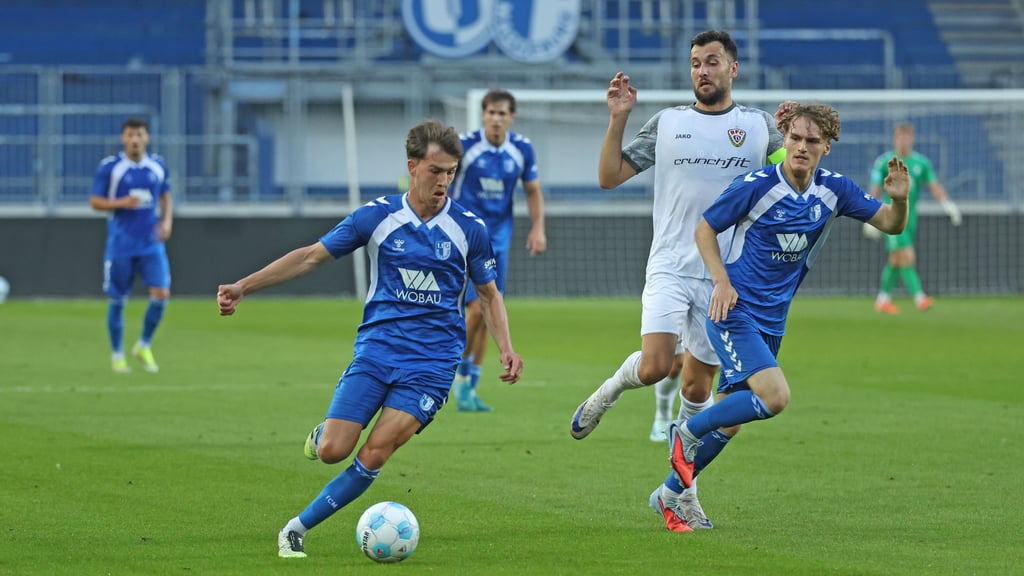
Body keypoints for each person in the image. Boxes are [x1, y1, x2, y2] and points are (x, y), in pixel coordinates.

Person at [215, 120, 523, 559]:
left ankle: (295, 530)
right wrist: (244, 286)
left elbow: (490, 295)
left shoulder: (469, 229)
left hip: (432, 365)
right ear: (412, 166)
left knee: (376, 451)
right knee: (332, 451)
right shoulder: (377, 216)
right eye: (435, 170)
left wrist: (507, 348)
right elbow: (310, 257)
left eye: (451, 172)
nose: (443, 181)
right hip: (377, 351)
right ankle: (325, 433)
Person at [567, 29, 785, 530]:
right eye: (694, 63)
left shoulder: (758, 128)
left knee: (697, 384)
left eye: (712, 62)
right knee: (654, 367)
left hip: (724, 278)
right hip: (668, 264)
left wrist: (795, 132)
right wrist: (617, 118)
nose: (702, 71)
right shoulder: (668, 124)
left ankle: (683, 491)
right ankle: (607, 393)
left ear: (733, 69)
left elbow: (794, 173)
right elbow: (609, 176)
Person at [665, 103, 910, 531]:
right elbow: (705, 229)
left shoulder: (834, 190)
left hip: (772, 322)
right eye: (795, 138)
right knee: (775, 397)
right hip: (732, 311)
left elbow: (891, 224)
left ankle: (669, 494)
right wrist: (720, 281)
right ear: (785, 138)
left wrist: (900, 199)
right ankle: (685, 434)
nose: (801, 147)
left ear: (826, 147)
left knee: (734, 420)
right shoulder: (757, 185)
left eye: (811, 141)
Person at [451, 89, 546, 412]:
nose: (496, 118)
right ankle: (448, 363)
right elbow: (445, 184)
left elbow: (532, 191)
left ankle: (467, 385)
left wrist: (537, 227)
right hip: (463, 237)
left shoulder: (521, 149)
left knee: (482, 314)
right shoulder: (465, 147)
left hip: (498, 241)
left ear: (511, 117)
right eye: (491, 112)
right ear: (483, 115)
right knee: (476, 310)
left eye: (502, 113)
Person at [89, 118, 172, 374]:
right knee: (118, 300)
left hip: (151, 244)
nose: (134, 139)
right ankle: (117, 355)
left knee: (161, 294)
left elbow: (165, 195)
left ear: (147, 137)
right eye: (130, 135)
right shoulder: (111, 168)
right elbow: (95, 202)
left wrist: (167, 222)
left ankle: (143, 345)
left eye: (139, 134)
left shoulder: (157, 165)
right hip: (121, 245)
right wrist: (122, 202)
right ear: (123, 138)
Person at [867, 123, 961, 314]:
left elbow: (934, 185)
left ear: (912, 139)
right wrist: (869, 216)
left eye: (906, 137)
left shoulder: (921, 163)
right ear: (894, 139)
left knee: (895, 259)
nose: (902, 140)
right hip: (891, 216)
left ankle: (882, 299)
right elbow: (875, 189)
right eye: (899, 137)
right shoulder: (885, 161)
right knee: (907, 256)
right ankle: (920, 298)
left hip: (911, 218)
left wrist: (947, 204)